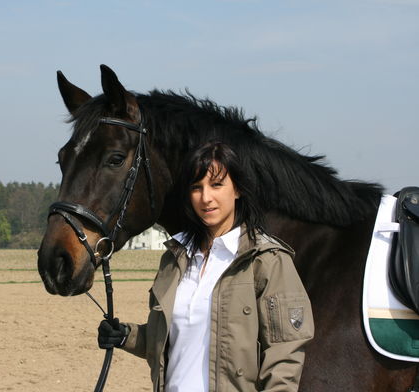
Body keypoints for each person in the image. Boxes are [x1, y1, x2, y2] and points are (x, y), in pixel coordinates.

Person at [98, 141, 314, 391]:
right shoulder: (174, 259)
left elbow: (285, 355)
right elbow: (175, 340)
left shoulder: (267, 260)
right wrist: (127, 336)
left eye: (216, 184)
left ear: (237, 190)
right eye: (196, 187)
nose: (206, 197)